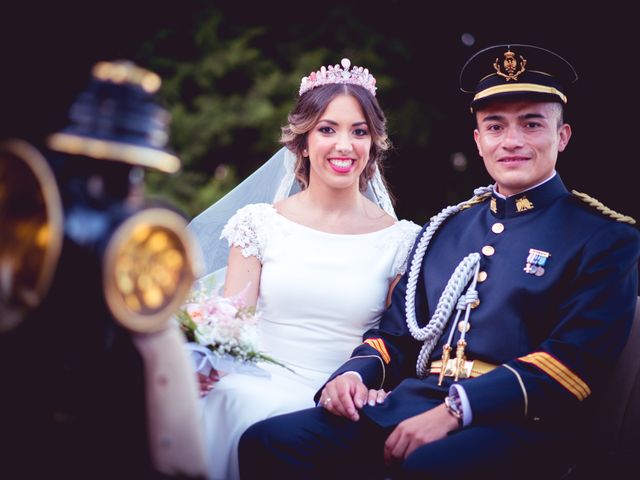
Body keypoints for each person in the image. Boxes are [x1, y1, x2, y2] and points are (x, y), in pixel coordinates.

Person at [238, 44, 640, 479]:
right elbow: (395, 334)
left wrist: (457, 409)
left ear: (561, 136)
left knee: (427, 466)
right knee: (270, 442)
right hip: (418, 402)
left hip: (524, 425)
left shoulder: (604, 237)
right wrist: (355, 375)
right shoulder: (446, 229)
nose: (511, 141)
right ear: (478, 141)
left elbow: (571, 365)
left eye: (531, 124)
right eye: (495, 126)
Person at [186, 58, 421, 480]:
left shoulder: (400, 240)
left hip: (342, 398)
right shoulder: (258, 225)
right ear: (304, 140)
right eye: (327, 129)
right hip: (259, 383)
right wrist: (204, 366)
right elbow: (228, 325)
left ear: (373, 143)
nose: (344, 145)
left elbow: (396, 342)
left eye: (359, 131)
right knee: (235, 403)